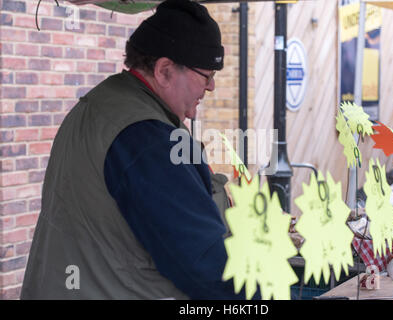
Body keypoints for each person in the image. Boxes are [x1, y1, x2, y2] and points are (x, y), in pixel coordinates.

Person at [21, 0, 259, 300]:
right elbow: (206, 267)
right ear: (164, 71)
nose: (211, 88)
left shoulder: (103, 103)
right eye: (207, 76)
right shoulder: (146, 138)